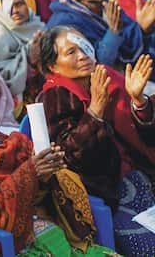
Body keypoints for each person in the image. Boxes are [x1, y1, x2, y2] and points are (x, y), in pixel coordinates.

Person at [0, 92, 112, 255]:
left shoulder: (13, 143)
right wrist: (31, 171)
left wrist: (47, 174)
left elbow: (38, 189)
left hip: (51, 224)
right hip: (11, 244)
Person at [34, 27, 155, 254]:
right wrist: (95, 112)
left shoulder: (105, 77)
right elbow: (70, 156)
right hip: (105, 192)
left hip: (139, 175)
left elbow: (145, 136)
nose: (82, 55)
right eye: (70, 52)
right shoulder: (54, 97)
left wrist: (138, 101)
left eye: (84, 46)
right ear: (53, 66)